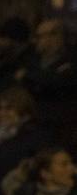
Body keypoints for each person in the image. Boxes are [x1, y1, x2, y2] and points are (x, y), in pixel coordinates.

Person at [0, 87, 50, 190]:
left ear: (22, 109)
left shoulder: (33, 135)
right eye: (0, 108)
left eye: (9, 108)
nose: (2, 113)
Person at [29, 20, 77, 149]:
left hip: (60, 123)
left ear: (55, 37)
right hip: (35, 121)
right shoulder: (34, 60)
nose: (37, 41)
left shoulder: (71, 60)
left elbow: (58, 81)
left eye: (40, 36)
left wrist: (32, 79)